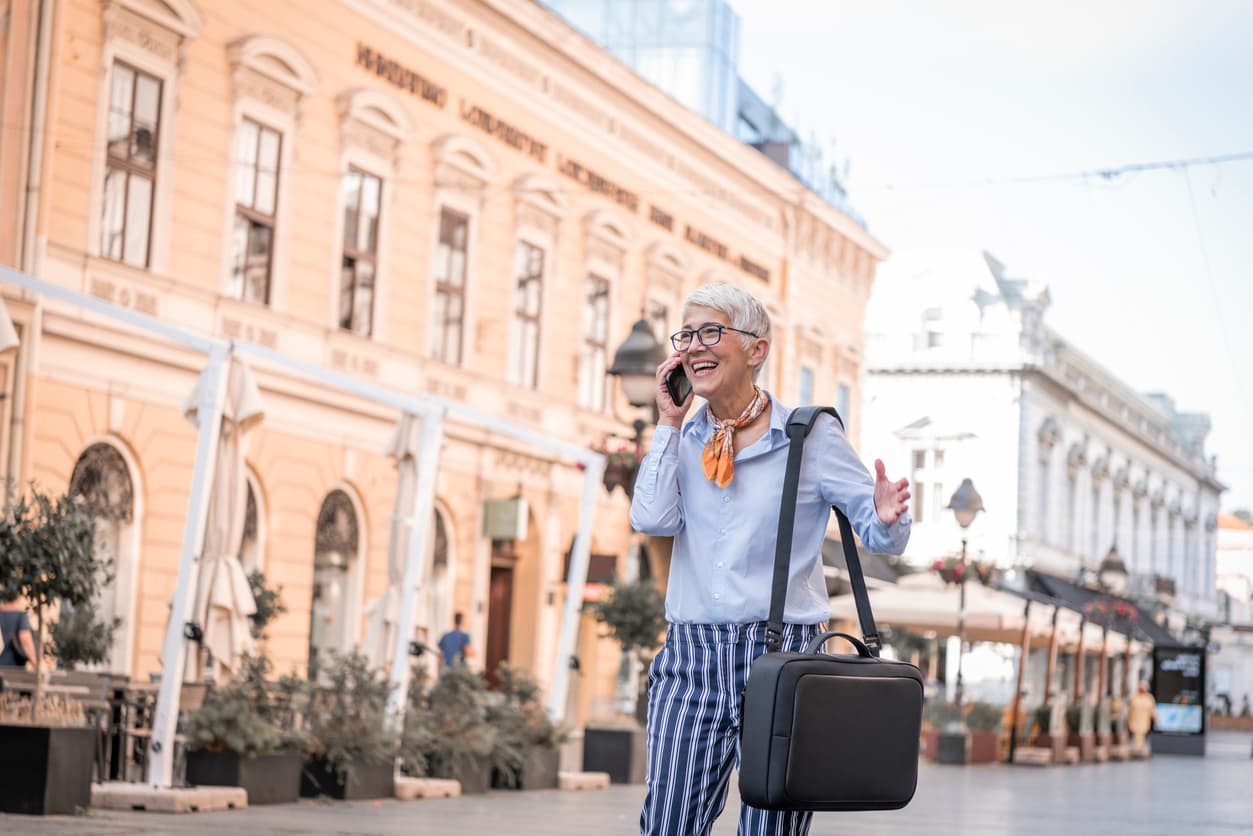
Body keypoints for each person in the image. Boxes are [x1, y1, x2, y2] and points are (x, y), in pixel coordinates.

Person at [630, 283, 911, 836]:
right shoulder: (683, 439)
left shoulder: (809, 436)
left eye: (711, 332)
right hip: (692, 657)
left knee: (771, 832)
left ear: (757, 350)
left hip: (783, 659)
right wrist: (666, 421)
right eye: (686, 335)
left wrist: (885, 514)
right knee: (666, 826)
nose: (694, 346)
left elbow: (882, 540)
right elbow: (652, 519)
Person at [0, 592, 37, 668]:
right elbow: (25, 639)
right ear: (17, 598)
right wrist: (35, 663)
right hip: (14, 665)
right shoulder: (20, 616)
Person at [1128, 679, 1156, 754]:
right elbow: (1129, 709)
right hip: (1134, 721)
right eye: (1141, 686)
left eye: (1145, 686)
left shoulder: (1149, 698)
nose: (1143, 688)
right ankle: (1136, 750)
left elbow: (1152, 710)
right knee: (1136, 737)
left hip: (1144, 722)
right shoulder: (1133, 697)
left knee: (1140, 736)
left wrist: (1156, 719)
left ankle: (1137, 750)